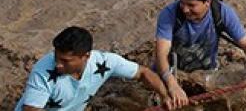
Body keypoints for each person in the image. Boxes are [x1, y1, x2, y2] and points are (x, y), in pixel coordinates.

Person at [154, 0, 246, 108]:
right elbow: (161, 54)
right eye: (182, 3)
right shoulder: (169, 14)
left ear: (207, 2)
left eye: (191, 5)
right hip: (171, 73)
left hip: (207, 72)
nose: (185, 9)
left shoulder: (223, 13)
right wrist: (172, 85)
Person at [15, 26, 176, 111]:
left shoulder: (105, 62)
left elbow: (144, 72)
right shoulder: (43, 70)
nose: (58, 64)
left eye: (66, 61)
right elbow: (31, 109)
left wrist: (164, 96)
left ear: (86, 56)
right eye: (56, 57)